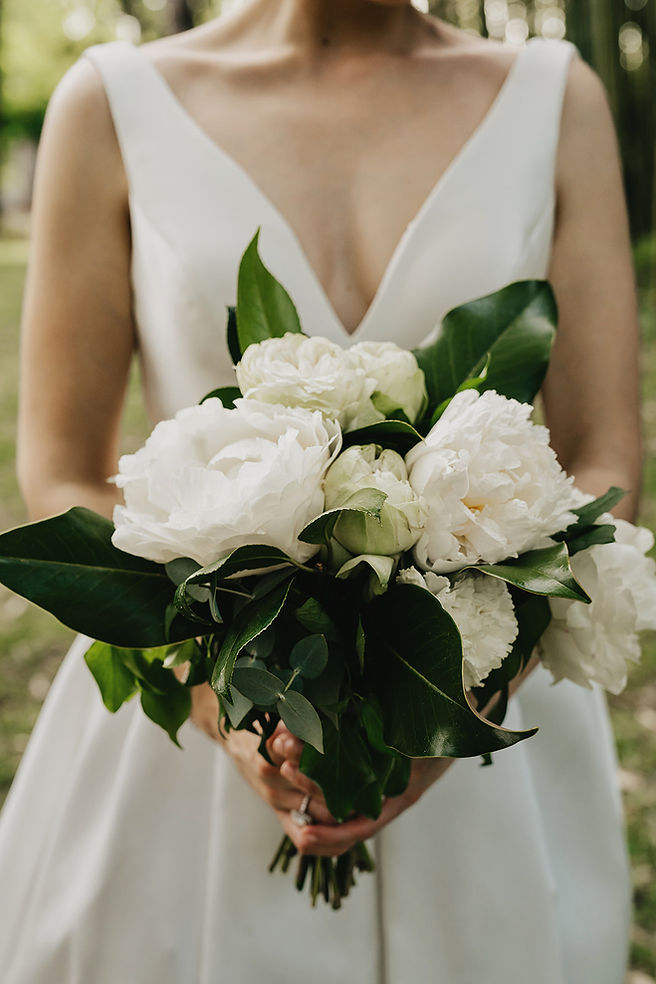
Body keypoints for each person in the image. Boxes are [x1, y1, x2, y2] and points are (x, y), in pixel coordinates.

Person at [0, 1, 642, 981]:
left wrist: (447, 710)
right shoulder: (110, 103)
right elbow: (59, 465)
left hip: (478, 726)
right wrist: (230, 707)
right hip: (196, 728)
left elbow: (602, 456)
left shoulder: (553, 99)